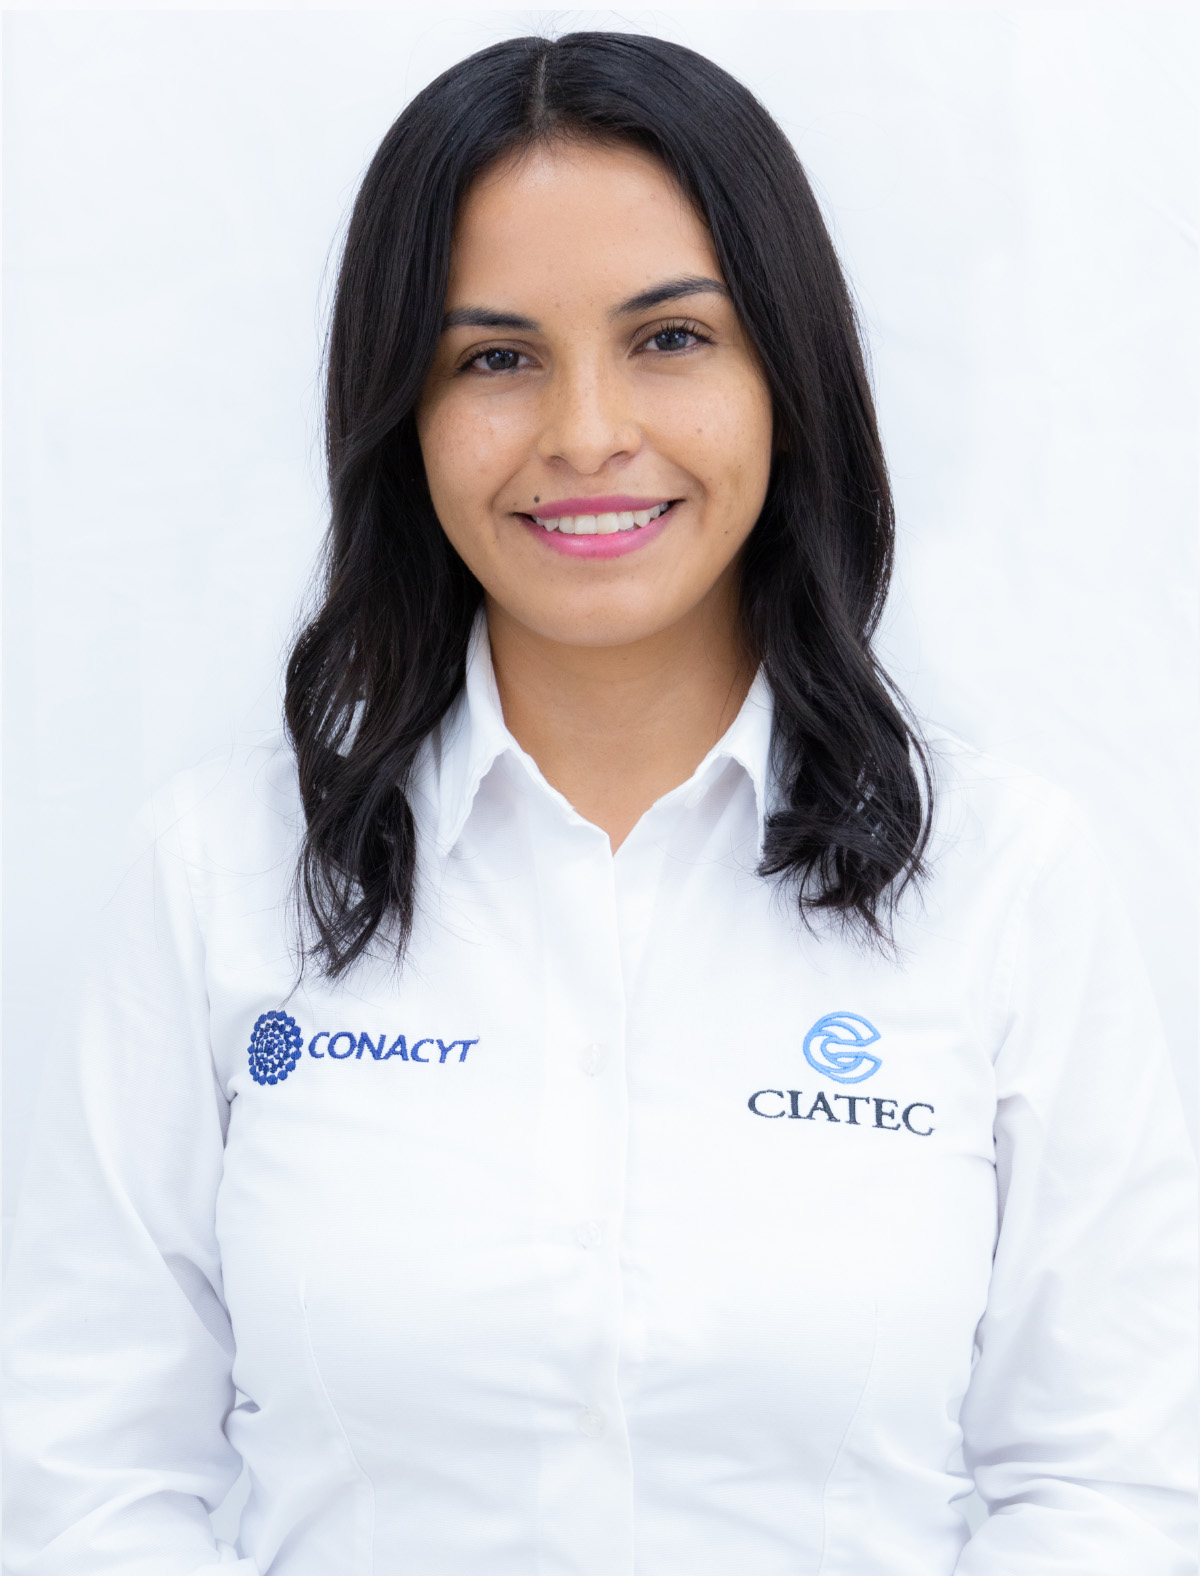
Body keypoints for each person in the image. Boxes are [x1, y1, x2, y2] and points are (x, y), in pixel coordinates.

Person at [4, 30, 1195, 1576]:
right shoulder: (217, 874)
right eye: (495, 358)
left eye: (670, 338)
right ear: (404, 412)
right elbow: (92, 1477)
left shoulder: (1002, 876)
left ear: (786, 377)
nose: (584, 433)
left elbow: (1106, 1482)